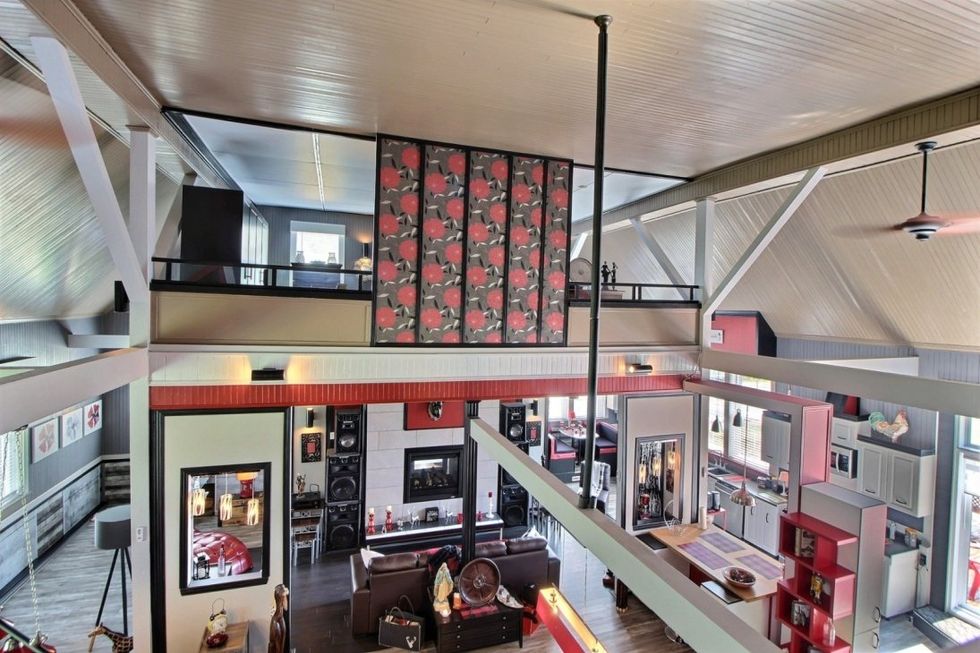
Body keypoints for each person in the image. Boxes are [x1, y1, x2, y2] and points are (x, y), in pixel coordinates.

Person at [268, 584, 289, 653]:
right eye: (283, 595)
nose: (284, 597)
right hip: (276, 620)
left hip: (280, 618)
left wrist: (284, 597)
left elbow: (285, 608)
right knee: (277, 646)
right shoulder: (277, 597)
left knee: (282, 644)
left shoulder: (283, 597)